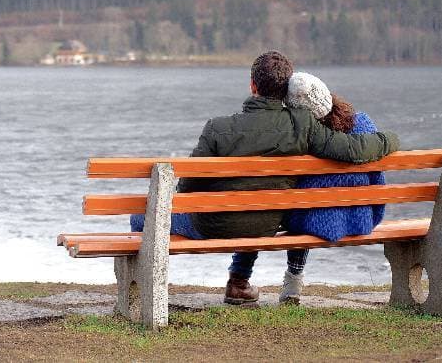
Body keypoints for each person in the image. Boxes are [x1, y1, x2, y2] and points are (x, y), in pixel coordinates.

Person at [132, 50, 400, 306]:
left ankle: (148, 287)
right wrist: (391, 139)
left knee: (141, 215)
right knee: (253, 204)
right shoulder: (302, 126)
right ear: (285, 91)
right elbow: (353, 150)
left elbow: (188, 186)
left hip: (212, 225)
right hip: (266, 224)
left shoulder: (218, 128)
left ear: (252, 85)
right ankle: (238, 283)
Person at [277, 72, 386, 304]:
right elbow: (378, 179)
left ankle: (294, 277)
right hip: (361, 218)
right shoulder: (364, 124)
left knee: (300, 203)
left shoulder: (301, 139)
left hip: (309, 222)